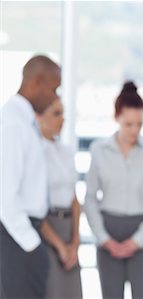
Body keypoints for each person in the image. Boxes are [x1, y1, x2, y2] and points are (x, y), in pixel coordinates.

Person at [84, 81, 143, 299]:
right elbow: (90, 198)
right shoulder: (99, 150)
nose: (135, 130)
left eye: (139, 124)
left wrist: (138, 240)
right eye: (128, 124)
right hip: (108, 233)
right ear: (117, 118)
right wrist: (103, 238)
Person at [0, 55, 61, 298]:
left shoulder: (22, 122)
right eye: (54, 89)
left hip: (23, 238)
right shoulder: (13, 125)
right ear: (36, 82)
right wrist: (31, 245)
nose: (55, 97)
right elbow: (4, 194)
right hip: (18, 241)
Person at [36, 97, 82, 298]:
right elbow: (34, 209)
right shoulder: (34, 153)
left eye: (63, 113)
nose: (62, 119)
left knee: (72, 293)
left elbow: (74, 199)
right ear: (39, 116)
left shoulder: (66, 152)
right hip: (45, 231)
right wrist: (60, 246)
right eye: (56, 114)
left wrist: (75, 241)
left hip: (68, 230)